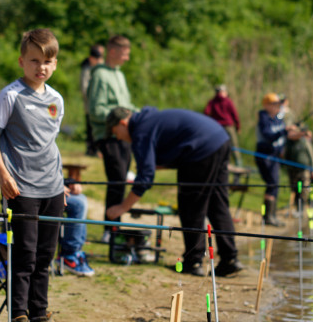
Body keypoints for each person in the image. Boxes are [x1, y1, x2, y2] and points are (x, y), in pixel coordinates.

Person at [0, 28, 77, 322]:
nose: (42, 67)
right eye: (35, 60)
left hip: (52, 189)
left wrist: (62, 184)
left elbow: (51, 145)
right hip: (21, 189)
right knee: (23, 258)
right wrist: (3, 176)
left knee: (44, 258)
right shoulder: (10, 96)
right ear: (22, 61)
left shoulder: (57, 99)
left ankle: (40, 318)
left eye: (48, 61)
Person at [104, 106, 243, 278]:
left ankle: (193, 262)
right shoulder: (148, 120)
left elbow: (146, 178)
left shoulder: (141, 131)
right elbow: (169, 149)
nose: (117, 137)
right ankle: (230, 259)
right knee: (217, 204)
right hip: (220, 138)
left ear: (123, 123)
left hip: (200, 150)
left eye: (115, 131)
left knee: (191, 206)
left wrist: (122, 208)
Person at [86, 35, 133, 228]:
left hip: (126, 135)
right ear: (112, 52)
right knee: (117, 180)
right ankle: (111, 229)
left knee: (122, 180)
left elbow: (127, 105)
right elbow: (96, 111)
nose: (127, 58)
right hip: (109, 136)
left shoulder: (120, 74)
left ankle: (116, 226)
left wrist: (138, 115)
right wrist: (120, 118)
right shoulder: (99, 75)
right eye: (125, 54)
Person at [255, 92, 304, 227]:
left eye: (278, 104)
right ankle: (268, 217)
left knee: (275, 183)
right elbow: (268, 135)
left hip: (275, 156)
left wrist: (299, 133)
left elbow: (283, 136)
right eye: (274, 104)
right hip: (265, 156)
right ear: (266, 105)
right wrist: (284, 131)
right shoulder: (263, 118)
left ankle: (272, 215)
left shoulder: (278, 118)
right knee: (272, 183)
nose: (277, 106)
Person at [59, 180, 95, 276]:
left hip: (54, 185)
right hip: (41, 190)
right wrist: (56, 186)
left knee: (81, 198)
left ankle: (77, 252)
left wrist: (69, 182)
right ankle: (69, 254)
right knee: (78, 205)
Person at [204, 84, 241, 166]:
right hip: (228, 126)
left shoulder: (212, 101)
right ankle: (237, 163)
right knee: (233, 145)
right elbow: (235, 114)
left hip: (216, 127)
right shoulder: (228, 101)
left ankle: (224, 162)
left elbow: (206, 112)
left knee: (220, 145)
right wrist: (238, 126)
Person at [79, 44, 104, 156]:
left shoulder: (100, 68)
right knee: (90, 128)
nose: (100, 60)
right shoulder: (87, 69)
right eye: (98, 58)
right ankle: (91, 150)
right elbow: (84, 88)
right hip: (90, 105)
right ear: (91, 58)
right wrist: (92, 99)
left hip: (99, 105)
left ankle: (98, 149)